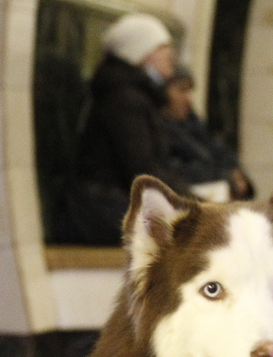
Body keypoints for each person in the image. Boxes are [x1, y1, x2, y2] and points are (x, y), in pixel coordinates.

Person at [57, 12, 189, 244]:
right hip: (101, 207)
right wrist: (192, 201)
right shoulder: (124, 100)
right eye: (163, 49)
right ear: (142, 55)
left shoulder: (135, 97)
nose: (170, 58)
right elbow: (142, 168)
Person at [161, 67, 254, 201]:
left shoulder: (192, 122)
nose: (188, 98)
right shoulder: (161, 130)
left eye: (190, 90)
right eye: (182, 90)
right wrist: (226, 177)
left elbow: (217, 149)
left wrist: (237, 172)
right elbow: (175, 170)